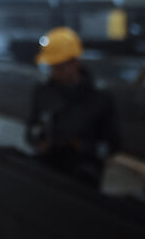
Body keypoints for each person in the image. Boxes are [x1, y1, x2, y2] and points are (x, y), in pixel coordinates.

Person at [25, 26, 121, 188]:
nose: (54, 73)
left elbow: (113, 145)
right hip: (49, 164)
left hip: (84, 172)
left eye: (59, 67)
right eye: (52, 67)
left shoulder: (99, 98)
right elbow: (31, 129)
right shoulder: (44, 92)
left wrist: (83, 146)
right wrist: (38, 142)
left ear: (74, 63)